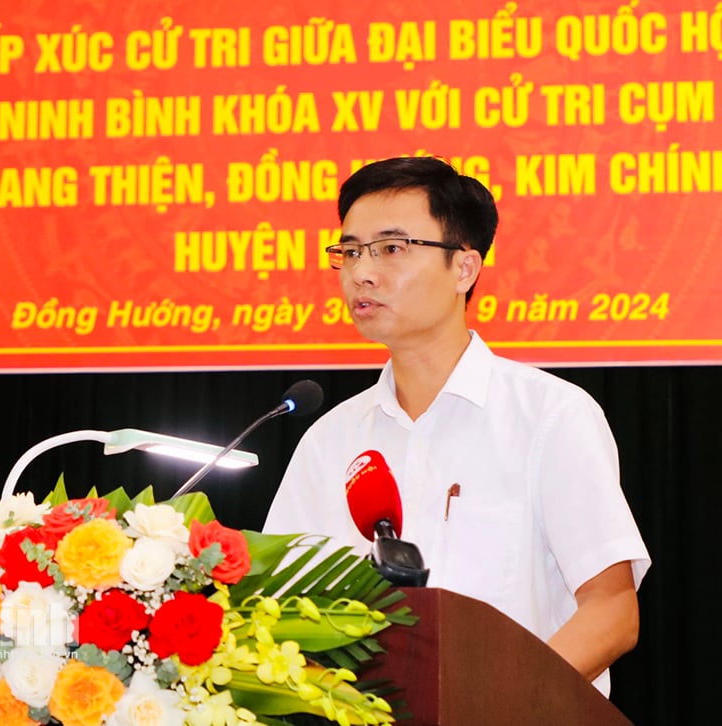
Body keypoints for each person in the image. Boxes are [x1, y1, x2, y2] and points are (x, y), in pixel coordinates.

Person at [263, 156, 650, 695]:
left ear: (464, 269)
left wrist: (497, 703)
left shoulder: (550, 416)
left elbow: (610, 611)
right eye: (350, 251)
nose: (361, 272)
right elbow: (280, 613)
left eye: (391, 249)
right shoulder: (329, 442)